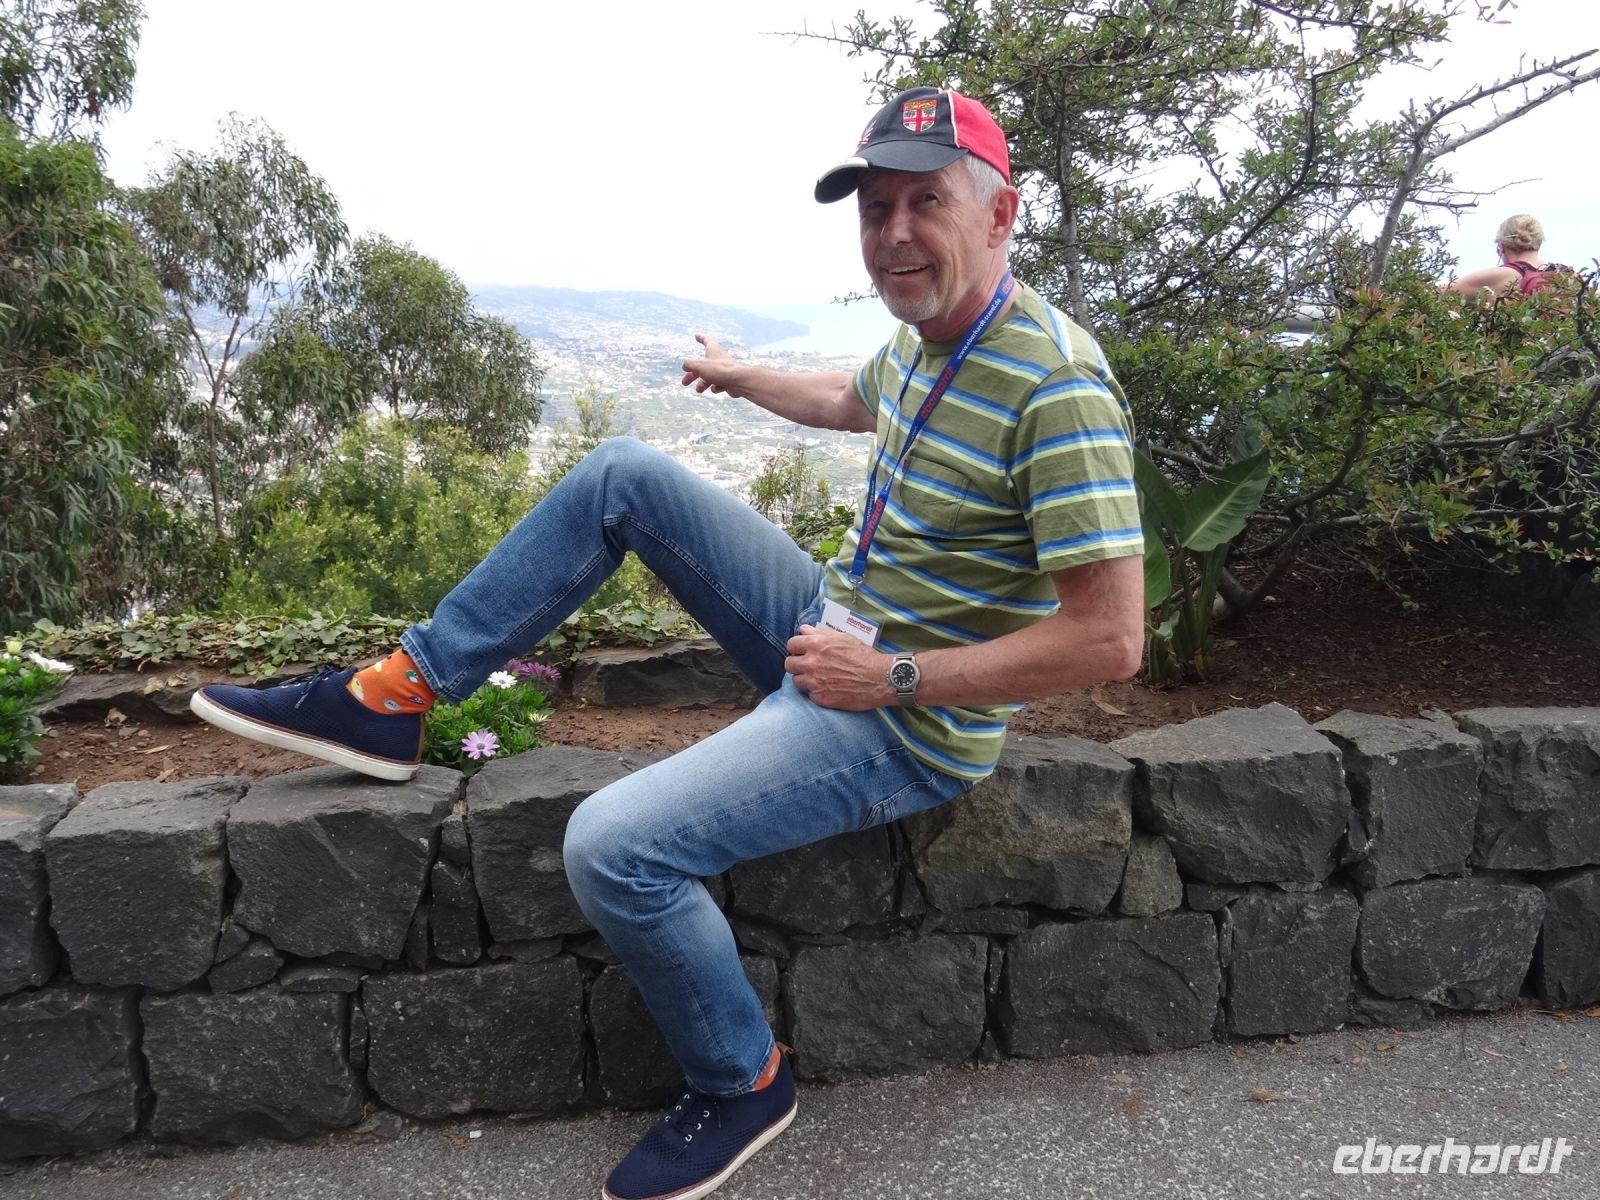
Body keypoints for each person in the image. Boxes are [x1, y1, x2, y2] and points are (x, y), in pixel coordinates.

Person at [190, 86, 1146, 1200]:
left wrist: (891, 678)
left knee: (613, 847)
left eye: (923, 202)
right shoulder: (930, 341)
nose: (893, 234)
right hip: (831, 634)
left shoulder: (1056, 386)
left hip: (899, 719)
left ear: (999, 215)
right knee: (622, 476)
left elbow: (1109, 639)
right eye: (874, 207)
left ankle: (743, 1078)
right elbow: (853, 397)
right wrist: (741, 377)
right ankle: (394, 694)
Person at [1443, 214, 1572, 299]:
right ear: (1538, 243)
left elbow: (1437, 294)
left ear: (1502, 246)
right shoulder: (1567, 274)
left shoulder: (1505, 275)